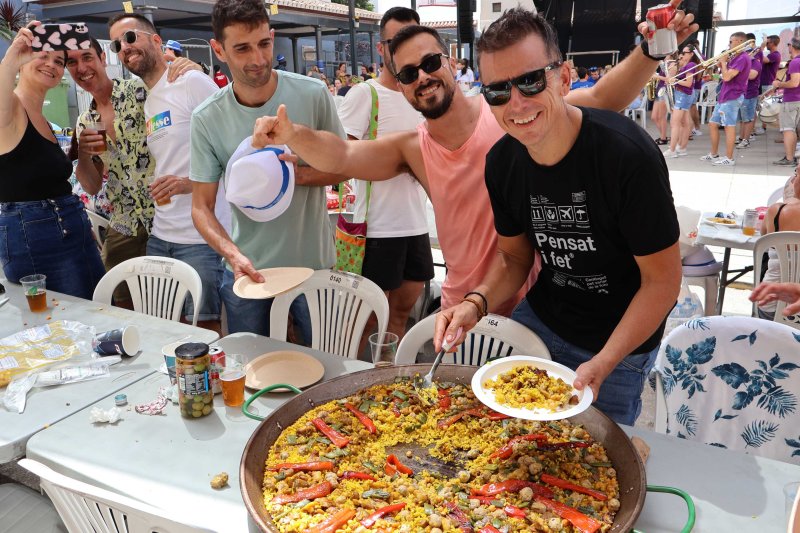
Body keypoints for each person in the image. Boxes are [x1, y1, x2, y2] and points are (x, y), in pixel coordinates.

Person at [250, 6, 697, 323]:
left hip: (530, 303)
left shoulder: (509, 108)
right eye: (408, 74)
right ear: (402, 87)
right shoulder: (412, 148)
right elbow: (345, 156)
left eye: (429, 63)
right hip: (461, 306)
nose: (422, 77)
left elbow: (601, 100)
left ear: (449, 62)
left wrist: (651, 51)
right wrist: (293, 135)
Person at [435, 9, 681, 425]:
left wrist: (604, 362)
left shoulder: (627, 156)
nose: (516, 103)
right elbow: (515, 260)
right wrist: (474, 304)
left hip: (620, 341)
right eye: (497, 91)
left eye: (531, 81)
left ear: (564, 78)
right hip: (542, 320)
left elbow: (663, 282)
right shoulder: (502, 162)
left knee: (596, 459)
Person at [190, 0, 345, 337]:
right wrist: (233, 256)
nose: (258, 59)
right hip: (249, 270)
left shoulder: (313, 93)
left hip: (314, 265)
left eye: (264, 44)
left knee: (326, 370)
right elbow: (200, 206)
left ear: (272, 36)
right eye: (242, 49)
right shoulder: (207, 117)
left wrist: (288, 175)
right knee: (252, 371)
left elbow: (344, 166)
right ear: (218, 49)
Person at [109, 13, 230, 335]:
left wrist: (189, 183)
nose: (125, 47)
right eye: (117, 44)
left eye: (131, 37)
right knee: (164, 327)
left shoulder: (190, 81)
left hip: (200, 236)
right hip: (162, 236)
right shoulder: (149, 100)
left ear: (157, 41)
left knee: (203, 329)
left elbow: (233, 150)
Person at [67, 37, 197, 307]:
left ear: (102, 58)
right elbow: (91, 186)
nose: (81, 67)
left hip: (164, 217)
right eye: (72, 62)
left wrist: (189, 67)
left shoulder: (141, 91)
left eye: (87, 57)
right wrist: (82, 155)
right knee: (121, 305)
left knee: (176, 305)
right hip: (124, 224)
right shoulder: (85, 121)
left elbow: (184, 98)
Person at [336, 6, 433, 342]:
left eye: (412, 39)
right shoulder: (365, 94)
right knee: (366, 320)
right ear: (381, 48)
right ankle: (355, 381)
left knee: (403, 313)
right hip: (375, 229)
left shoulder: (425, 96)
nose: (405, 48)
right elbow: (340, 160)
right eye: (396, 41)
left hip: (416, 223)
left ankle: (389, 382)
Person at [0, 22, 105, 298]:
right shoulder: (11, 107)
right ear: (24, 62)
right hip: (35, 237)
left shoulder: (45, 122)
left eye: (59, 61)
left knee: (95, 313)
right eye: (42, 56)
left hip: (73, 226)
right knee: (58, 326)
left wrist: (83, 154)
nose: (51, 65)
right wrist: (12, 56)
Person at [754, 164, 800, 320]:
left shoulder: (777, 211)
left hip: (772, 304)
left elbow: (763, 238)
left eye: (797, 173)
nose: (793, 179)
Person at [701, 31, 751, 167]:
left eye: (731, 41)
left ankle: (729, 158)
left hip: (732, 96)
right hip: (725, 95)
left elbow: (728, 77)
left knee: (729, 126)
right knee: (712, 124)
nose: (729, 44)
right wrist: (720, 65)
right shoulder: (735, 57)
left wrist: (723, 63)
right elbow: (724, 76)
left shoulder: (743, 58)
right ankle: (714, 153)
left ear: (739, 42)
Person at [663, 46, 697, 157]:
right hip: (683, 95)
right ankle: (682, 148)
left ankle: (672, 150)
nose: (682, 54)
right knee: (685, 123)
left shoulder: (690, 65)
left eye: (684, 52)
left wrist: (675, 80)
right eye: (681, 52)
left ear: (691, 54)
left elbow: (688, 83)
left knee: (675, 123)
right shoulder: (686, 65)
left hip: (683, 95)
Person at [772, 38, 800, 166]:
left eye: (788, 45)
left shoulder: (795, 62)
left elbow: (794, 83)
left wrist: (779, 83)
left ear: (792, 46)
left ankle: (789, 158)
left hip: (792, 99)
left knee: (788, 129)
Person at [736, 38, 762, 149]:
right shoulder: (745, 62)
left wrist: (738, 72)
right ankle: (742, 138)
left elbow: (752, 76)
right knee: (743, 119)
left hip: (750, 94)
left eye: (748, 51)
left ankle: (746, 139)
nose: (746, 53)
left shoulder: (755, 63)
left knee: (748, 119)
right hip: (743, 93)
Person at [755, 34, 781, 135]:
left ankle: (764, 127)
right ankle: (764, 127)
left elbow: (763, 59)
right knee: (764, 106)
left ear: (773, 43)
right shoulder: (771, 54)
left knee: (766, 106)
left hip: (768, 83)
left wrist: (762, 46)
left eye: (768, 42)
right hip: (764, 83)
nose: (766, 44)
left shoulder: (775, 55)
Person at [650, 58, 675, 145]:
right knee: (654, 117)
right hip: (659, 90)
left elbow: (670, 79)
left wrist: (656, 76)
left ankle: (663, 138)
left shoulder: (672, 63)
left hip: (665, 91)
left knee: (661, 117)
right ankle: (663, 136)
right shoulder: (664, 63)